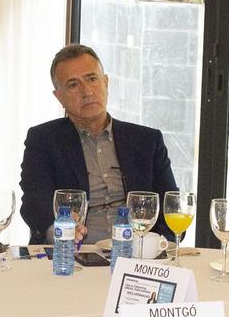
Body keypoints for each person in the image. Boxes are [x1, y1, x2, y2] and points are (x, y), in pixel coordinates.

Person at [19, 44, 178, 244]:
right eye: (73, 84)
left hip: (138, 254)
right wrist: (57, 232)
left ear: (106, 83)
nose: (87, 92)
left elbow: (170, 206)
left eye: (92, 79)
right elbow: (34, 202)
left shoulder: (146, 141)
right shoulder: (43, 140)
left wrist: (156, 245)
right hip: (75, 255)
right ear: (59, 97)